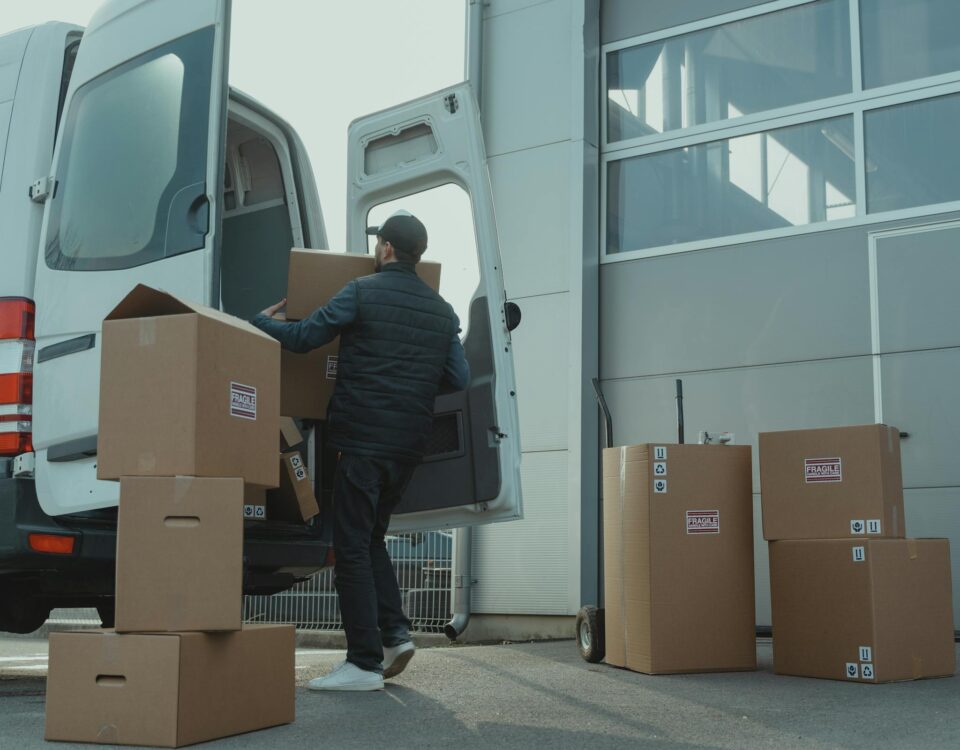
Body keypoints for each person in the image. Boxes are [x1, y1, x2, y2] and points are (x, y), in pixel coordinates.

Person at [252, 211, 470, 691]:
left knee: (350, 546)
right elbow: (459, 378)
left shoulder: (361, 291)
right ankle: (394, 635)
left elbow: (306, 337)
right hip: (407, 446)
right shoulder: (441, 310)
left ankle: (363, 662)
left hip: (361, 440)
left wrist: (260, 323)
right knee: (371, 538)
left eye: (379, 244)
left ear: (386, 248)